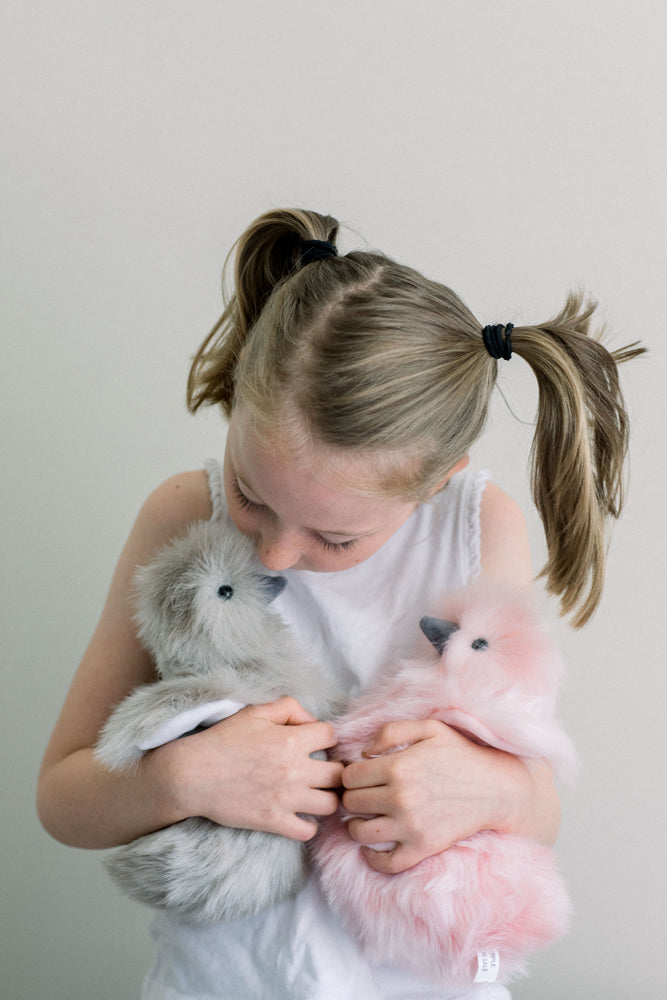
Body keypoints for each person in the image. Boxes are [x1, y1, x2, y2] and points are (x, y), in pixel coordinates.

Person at [37, 208, 643, 999]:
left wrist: (492, 791)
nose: (275, 555)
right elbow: (62, 799)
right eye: (252, 495)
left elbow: (536, 809)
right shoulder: (182, 513)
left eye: (335, 536)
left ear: (438, 479)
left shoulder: (475, 530)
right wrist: (175, 782)